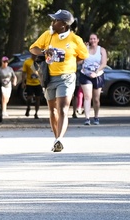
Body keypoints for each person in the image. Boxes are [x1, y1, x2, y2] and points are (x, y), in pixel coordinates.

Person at [29, 9, 88, 153]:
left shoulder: (75, 39)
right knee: (52, 110)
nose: (53, 22)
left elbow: (83, 56)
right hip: (49, 77)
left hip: (66, 77)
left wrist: (71, 63)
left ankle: (60, 139)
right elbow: (33, 48)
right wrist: (44, 52)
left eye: (56, 20)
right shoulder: (48, 35)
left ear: (64, 24)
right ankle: (56, 139)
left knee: (62, 109)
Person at [78, 33, 108, 125]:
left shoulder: (102, 50)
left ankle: (96, 117)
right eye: (91, 39)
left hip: (97, 75)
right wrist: (82, 51)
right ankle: (87, 118)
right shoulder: (85, 49)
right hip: (85, 75)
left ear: (98, 40)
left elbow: (104, 64)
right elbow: (79, 62)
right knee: (87, 97)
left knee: (96, 99)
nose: (92, 40)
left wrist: (96, 72)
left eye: (94, 39)